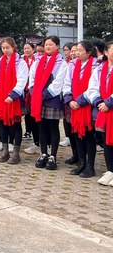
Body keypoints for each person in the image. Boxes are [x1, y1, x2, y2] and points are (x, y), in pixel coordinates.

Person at [0, 37, 28, 164]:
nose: (5, 50)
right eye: (3, 48)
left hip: (14, 98)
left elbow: (22, 80)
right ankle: (5, 150)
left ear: (13, 47)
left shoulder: (20, 63)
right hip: (1, 97)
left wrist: (14, 94)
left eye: (7, 48)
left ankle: (16, 153)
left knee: (15, 124)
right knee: (2, 124)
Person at [30, 35, 68, 171]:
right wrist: (34, 91)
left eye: (51, 44)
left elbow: (59, 82)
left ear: (57, 46)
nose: (48, 47)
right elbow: (32, 78)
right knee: (42, 127)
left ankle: (53, 156)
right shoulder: (38, 61)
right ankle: (43, 153)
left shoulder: (61, 63)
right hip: (38, 99)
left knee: (53, 127)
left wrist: (45, 94)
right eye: (46, 45)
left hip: (52, 99)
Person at [63, 40, 98, 177]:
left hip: (87, 106)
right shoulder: (72, 65)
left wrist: (80, 101)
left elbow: (94, 87)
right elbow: (66, 84)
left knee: (89, 136)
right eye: (75, 50)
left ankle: (90, 166)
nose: (76, 53)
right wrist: (69, 100)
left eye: (80, 50)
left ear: (89, 53)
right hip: (74, 106)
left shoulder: (96, 66)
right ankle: (81, 163)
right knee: (77, 134)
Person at [87, 41, 113, 186]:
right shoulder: (100, 69)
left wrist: (109, 103)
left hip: (109, 107)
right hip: (103, 110)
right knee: (106, 140)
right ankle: (110, 170)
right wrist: (98, 102)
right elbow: (92, 87)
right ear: (107, 52)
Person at [23, 42, 41, 155]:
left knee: (37, 119)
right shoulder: (20, 61)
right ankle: (34, 140)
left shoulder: (37, 60)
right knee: (28, 116)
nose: (26, 50)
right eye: (24, 49)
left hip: (35, 92)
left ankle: (41, 143)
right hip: (25, 92)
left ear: (33, 50)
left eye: (28, 48)